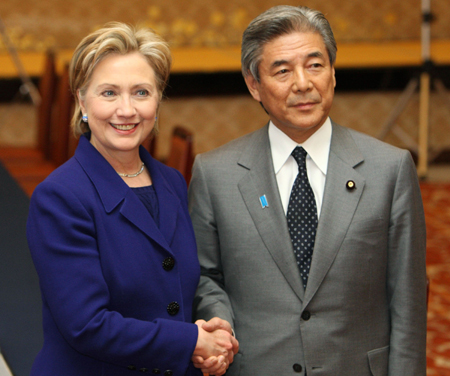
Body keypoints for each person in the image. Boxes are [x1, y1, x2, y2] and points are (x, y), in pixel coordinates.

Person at [189, 5, 427, 376]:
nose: (303, 83)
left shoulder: (390, 169)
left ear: (333, 73)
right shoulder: (215, 173)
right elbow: (205, 276)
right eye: (282, 71)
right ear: (255, 85)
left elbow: (408, 298)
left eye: (315, 65)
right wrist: (219, 323)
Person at [27, 22, 237, 376]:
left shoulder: (170, 180)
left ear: (158, 100)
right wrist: (191, 342)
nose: (126, 110)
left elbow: (182, 282)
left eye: (141, 92)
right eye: (109, 93)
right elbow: (88, 325)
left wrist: (214, 332)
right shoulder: (60, 197)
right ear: (81, 100)